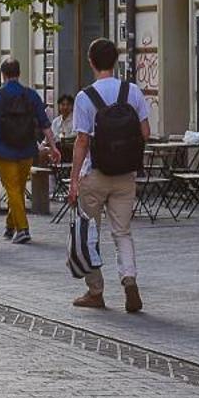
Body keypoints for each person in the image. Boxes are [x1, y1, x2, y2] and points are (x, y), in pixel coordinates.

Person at [68, 38, 149, 312]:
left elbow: (81, 141)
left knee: (90, 232)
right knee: (122, 232)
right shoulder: (132, 92)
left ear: (91, 62)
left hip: (95, 174)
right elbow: (145, 133)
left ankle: (95, 291)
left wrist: (74, 180)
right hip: (125, 175)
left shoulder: (84, 97)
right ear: (115, 61)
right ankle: (129, 280)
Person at [0, 56, 56, 245]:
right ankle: (10, 225)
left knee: (12, 188)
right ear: (19, 73)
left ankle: (22, 228)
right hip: (26, 150)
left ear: (3, 74)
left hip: (4, 149)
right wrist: (53, 146)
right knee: (19, 188)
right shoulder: (31, 95)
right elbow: (45, 123)